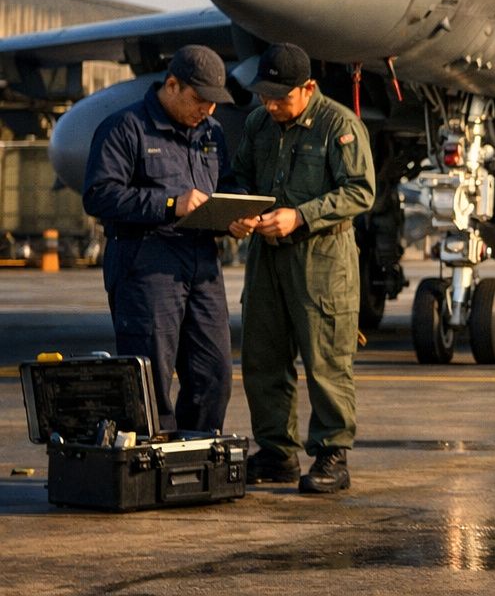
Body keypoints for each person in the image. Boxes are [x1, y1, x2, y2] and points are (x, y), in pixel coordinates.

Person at [229, 43, 375, 494]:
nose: (271, 104)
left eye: (281, 97)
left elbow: (360, 190)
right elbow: (240, 176)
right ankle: (277, 452)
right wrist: (239, 211)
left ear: (308, 88)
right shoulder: (258, 124)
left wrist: (301, 216)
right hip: (267, 255)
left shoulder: (339, 126)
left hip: (323, 258)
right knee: (263, 356)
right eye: (264, 95)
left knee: (326, 358)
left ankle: (333, 453)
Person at [82, 44, 237, 434]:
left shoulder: (212, 133)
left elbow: (227, 184)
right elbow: (99, 195)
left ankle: (197, 451)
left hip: (201, 262)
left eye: (214, 103)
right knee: (150, 380)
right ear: (172, 85)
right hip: (146, 262)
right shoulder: (125, 128)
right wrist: (170, 204)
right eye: (200, 99)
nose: (208, 109)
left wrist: (234, 215)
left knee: (214, 374)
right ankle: (152, 458)